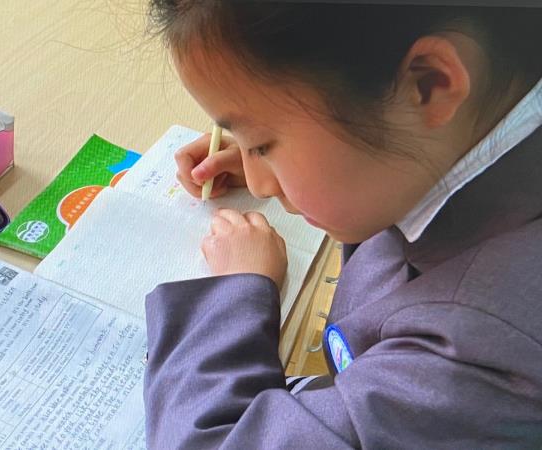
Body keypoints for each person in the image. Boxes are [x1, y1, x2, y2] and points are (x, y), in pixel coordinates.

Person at [143, 2, 542, 448]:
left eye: (263, 144)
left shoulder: (474, 355)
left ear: (430, 84)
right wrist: (282, 158)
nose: (257, 185)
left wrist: (231, 296)